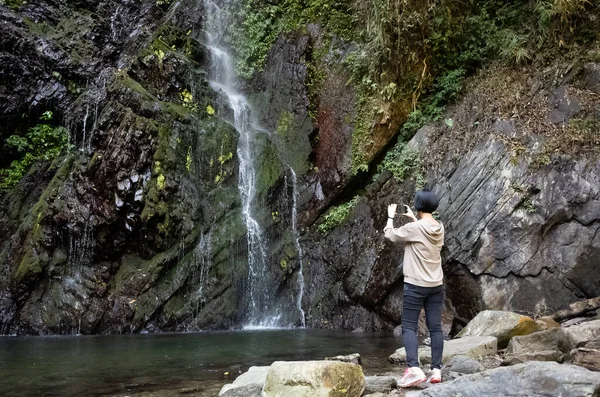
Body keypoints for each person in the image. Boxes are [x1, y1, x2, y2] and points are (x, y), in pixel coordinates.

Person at [384, 189, 445, 387]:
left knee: (409, 327)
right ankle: (436, 370)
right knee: (435, 328)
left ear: (418, 206)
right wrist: (413, 219)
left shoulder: (416, 228)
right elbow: (422, 231)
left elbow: (391, 235)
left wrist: (390, 217)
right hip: (436, 285)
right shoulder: (439, 227)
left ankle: (414, 370)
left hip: (415, 285)